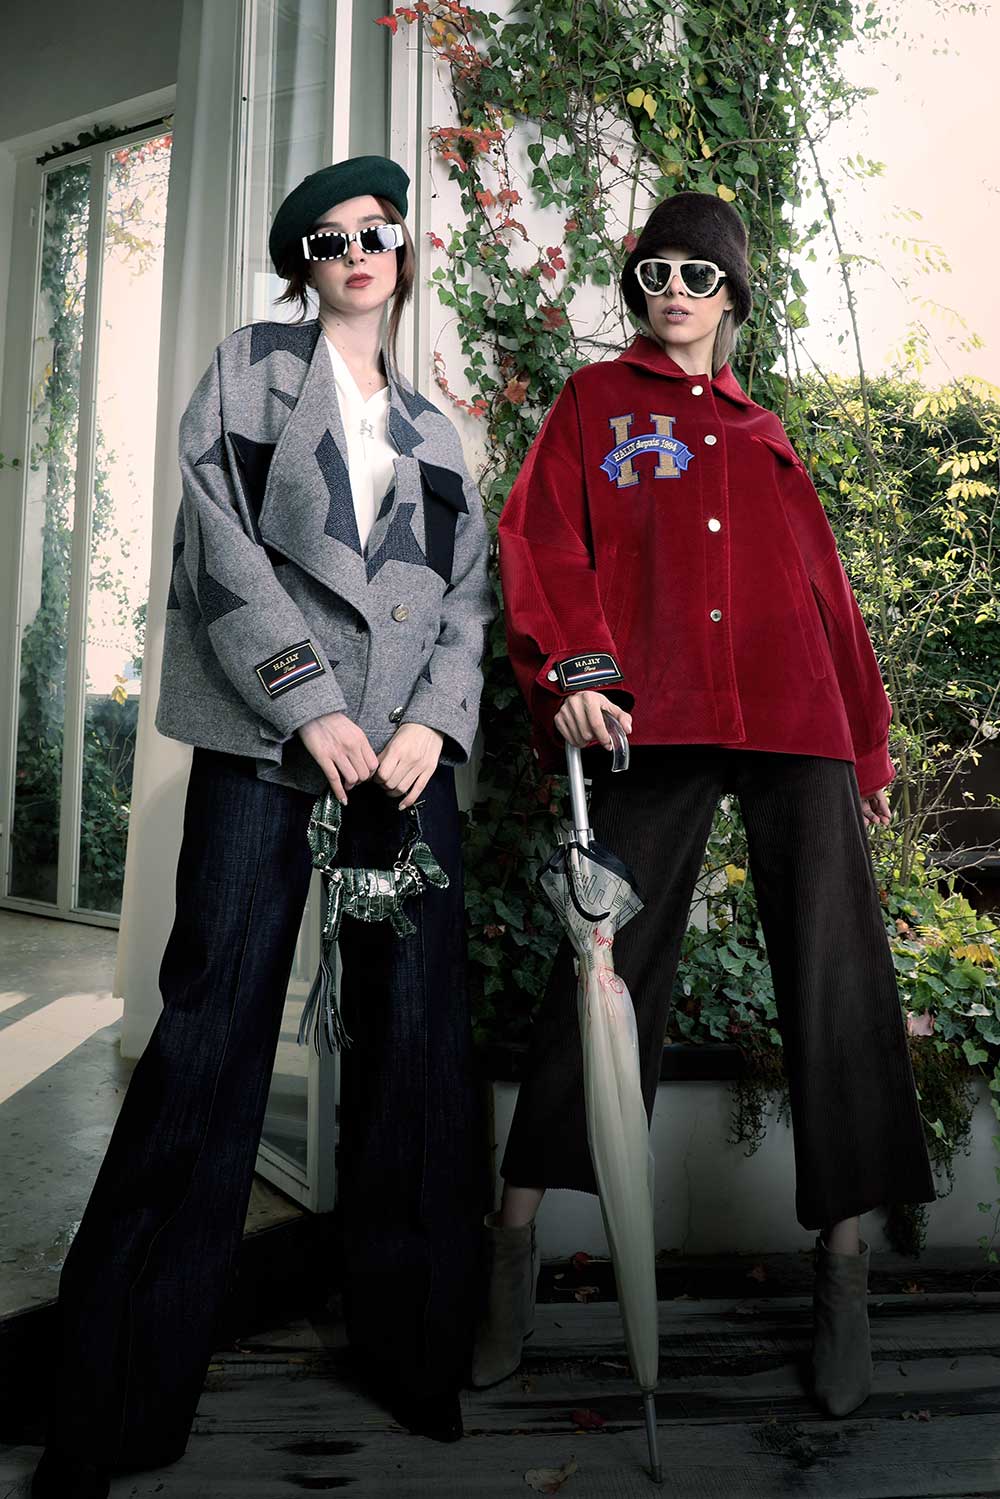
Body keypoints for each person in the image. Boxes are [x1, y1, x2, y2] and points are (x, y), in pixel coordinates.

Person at [33, 155, 493, 1499]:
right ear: (304, 265)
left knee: (418, 1043)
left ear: (402, 253)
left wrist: (430, 728)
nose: (359, 251)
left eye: (378, 231)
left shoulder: (439, 431)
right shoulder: (249, 371)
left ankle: (416, 1349)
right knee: (209, 1039)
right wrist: (309, 706)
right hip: (266, 747)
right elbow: (218, 547)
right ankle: (112, 1394)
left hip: (404, 767)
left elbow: (468, 600)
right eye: (331, 238)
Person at [475, 190, 936, 1417]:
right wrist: (576, 673)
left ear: (731, 294)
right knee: (602, 966)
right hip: (654, 712)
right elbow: (540, 542)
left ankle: (843, 1271)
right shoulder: (593, 403)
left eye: (695, 273)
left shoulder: (761, 431)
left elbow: (826, 594)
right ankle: (509, 1247)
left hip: (795, 719)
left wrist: (866, 748)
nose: (670, 290)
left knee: (835, 970)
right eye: (653, 271)